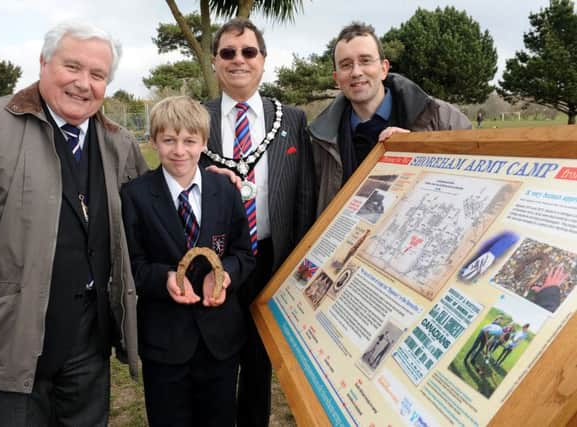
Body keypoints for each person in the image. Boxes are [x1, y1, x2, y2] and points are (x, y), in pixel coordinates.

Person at [0, 22, 147, 426]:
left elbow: (154, 203)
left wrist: (206, 180)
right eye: (72, 67)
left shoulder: (118, 143)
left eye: (98, 75)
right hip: (5, 339)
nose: (83, 83)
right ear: (43, 63)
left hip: (89, 342)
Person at [202, 18, 316, 427]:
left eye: (248, 52)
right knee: (216, 356)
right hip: (215, 261)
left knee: (259, 361)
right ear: (215, 61)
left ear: (263, 60)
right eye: (228, 53)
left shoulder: (293, 119)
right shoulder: (197, 119)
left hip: (270, 257)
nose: (238, 60)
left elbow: (303, 192)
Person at [121, 96, 255, 426]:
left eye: (189, 141)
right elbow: (131, 264)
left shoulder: (224, 189)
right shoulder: (135, 196)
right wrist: (164, 278)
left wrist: (225, 276)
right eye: (168, 140)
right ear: (154, 141)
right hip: (165, 342)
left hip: (219, 341)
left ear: (204, 143)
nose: (179, 150)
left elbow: (243, 254)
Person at [308, 22, 472, 214]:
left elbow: (477, 185)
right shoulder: (318, 141)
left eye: (365, 60)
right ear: (337, 78)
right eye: (346, 65)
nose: (356, 72)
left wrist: (420, 150)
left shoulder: (441, 117)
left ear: (384, 68)